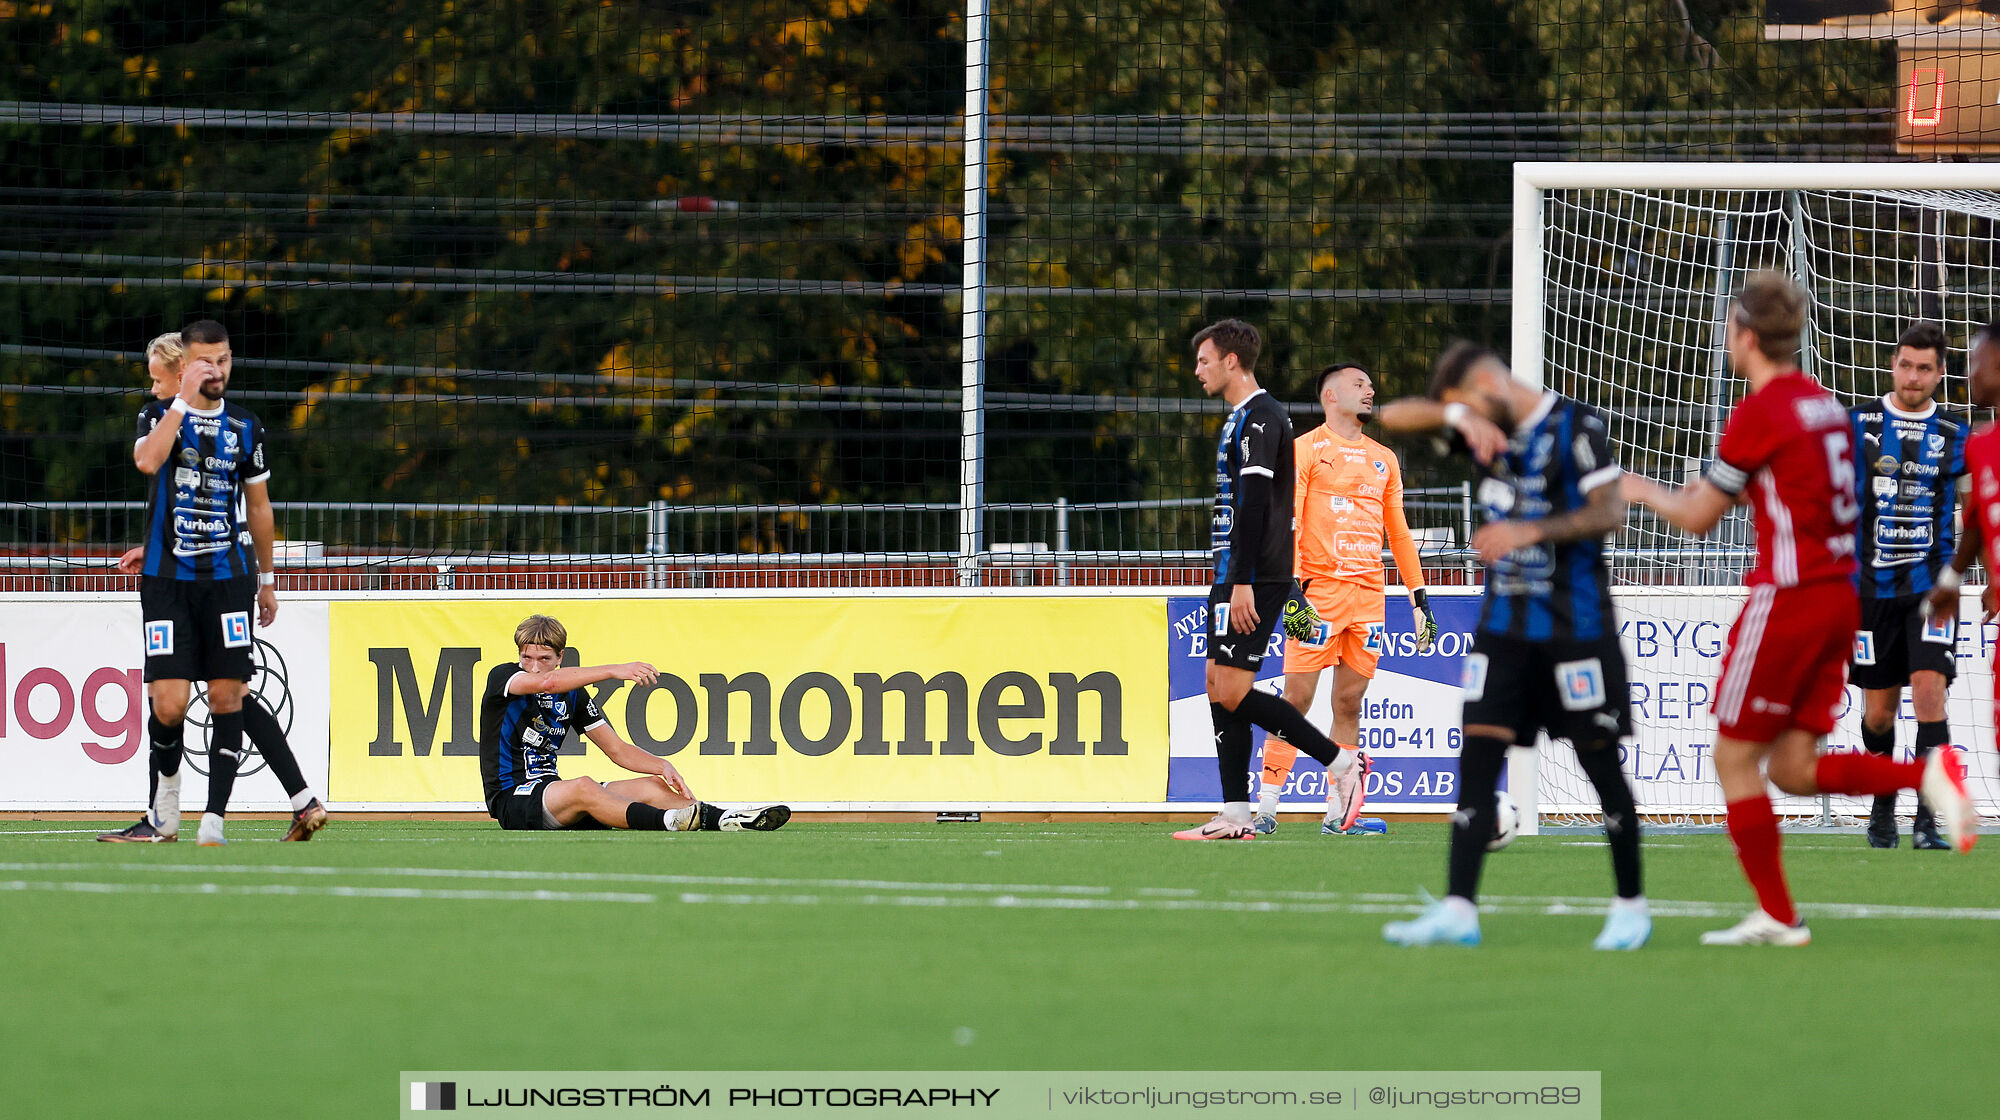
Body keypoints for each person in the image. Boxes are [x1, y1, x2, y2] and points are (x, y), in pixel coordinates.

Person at [1623, 272, 1977, 947]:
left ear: (1746, 335)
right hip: (1843, 596)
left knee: (1732, 756)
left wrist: (1640, 490)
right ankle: (1926, 773)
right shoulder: (1824, 405)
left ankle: (1780, 916)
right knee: (1791, 768)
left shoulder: (1763, 410)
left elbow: (1699, 515)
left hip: (1791, 596)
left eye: (1729, 326)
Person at [1373, 342, 1648, 949]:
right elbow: (1390, 416)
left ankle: (1630, 906)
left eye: (1468, 403)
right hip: (1503, 633)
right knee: (1476, 761)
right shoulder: (1478, 428)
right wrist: (1454, 416)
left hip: (1575, 630)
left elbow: (1610, 513)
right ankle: (1458, 909)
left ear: (1492, 383)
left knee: (1600, 764)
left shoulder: (1579, 426)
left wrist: (1531, 528)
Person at [99, 322, 328, 846]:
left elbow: (259, 506)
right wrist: (178, 401)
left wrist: (268, 581)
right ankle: (179, 812)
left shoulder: (245, 426)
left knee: (231, 693)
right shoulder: (159, 414)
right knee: (170, 703)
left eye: (224, 360)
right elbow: (147, 462)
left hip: (227, 579)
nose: (217, 370)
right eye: (209, 361)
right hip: (166, 581)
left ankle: (204, 822)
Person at [1174, 319, 1355, 841]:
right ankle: (1234, 813)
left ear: (1232, 360)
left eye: (1204, 360)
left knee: (1232, 689)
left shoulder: (1262, 417)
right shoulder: (1239, 418)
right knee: (1215, 685)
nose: (1198, 370)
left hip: (1255, 575)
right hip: (1231, 572)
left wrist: (1243, 581)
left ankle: (1340, 764)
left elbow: (1255, 505)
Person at [1253, 363, 1438, 836]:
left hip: (1369, 598)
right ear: (1330, 396)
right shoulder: (1305, 450)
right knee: (1296, 696)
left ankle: (1338, 813)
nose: (1370, 389)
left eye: (1371, 384)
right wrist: (1289, 589)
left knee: (1350, 703)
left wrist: (1419, 596)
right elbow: (1284, 522)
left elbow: (1397, 530)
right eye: (1359, 384)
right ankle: (1267, 804)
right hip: (1316, 594)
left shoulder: (1385, 458)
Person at [482, 613, 790, 834]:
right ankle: (670, 822)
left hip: (552, 794)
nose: (533, 667)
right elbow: (547, 683)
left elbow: (616, 750)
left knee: (650, 785)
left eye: (544, 658)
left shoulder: (573, 694)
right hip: (513, 799)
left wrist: (662, 766)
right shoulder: (505, 677)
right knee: (584, 787)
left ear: (560, 656)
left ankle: (721, 818)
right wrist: (616, 669)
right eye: (527, 658)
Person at [1848, 323, 1968, 849]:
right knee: (1878, 711)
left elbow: (1981, 513)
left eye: (1924, 368)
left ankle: (1926, 820)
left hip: (1934, 589)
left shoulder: (1955, 436)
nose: (1913, 377)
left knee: (1929, 695)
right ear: (1891, 365)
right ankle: (1882, 810)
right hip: (1870, 591)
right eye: (1905, 365)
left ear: (1941, 373)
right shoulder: (1857, 426)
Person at [1927, 318, 2000, 749]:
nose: (1968, 371)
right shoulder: (1980, 445)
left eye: (1977, 360)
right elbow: (1975, 520)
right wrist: (1953, 580)